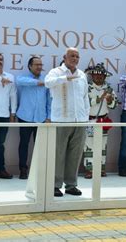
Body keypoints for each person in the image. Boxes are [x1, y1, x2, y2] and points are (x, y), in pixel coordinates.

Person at [45, 47, 90, 197]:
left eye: (77, 56)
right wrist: (65, 78)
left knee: (75, 154)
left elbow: (85, 97)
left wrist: (86, 117)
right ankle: (55, 185)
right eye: (72, 56)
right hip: (61, 119)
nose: (75, 59)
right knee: (58, 153)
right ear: (65, 57)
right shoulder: (56, 72)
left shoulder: (82, 74)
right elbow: (47, 83)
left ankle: (71, 185)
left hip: (80, 120)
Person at [15, 56, 51, 179]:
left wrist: (49, 117)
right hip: (25, 116)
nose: (39, 67)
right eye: (36, 65)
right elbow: (19, 81)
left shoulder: (46, 80)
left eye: (40, 64)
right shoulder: (23, 78)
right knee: (24, 144)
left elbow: (49, 100)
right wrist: (37, 82)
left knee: (40, 145)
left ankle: (38, 170)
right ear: (30, 66)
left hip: (41, 118)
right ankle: (23, 169)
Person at [84, 63, 118, 179]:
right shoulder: (87, 87)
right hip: (90, 120)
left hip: (103, 120)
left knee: (102, 145)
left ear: (104, 77)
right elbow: (86, 103)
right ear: (92, 76)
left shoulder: (109, 88)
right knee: (89, 145)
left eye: (101, 75)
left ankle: (101, 169)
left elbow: (114, 105)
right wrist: (100, 98)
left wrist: (109, 100)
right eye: (96, 75)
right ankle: (90, 169)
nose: (98, 77)